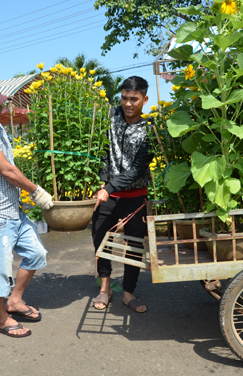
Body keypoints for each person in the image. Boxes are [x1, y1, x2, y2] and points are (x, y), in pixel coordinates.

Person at [0, 80, 53, 338]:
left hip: (14, 211)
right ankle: (3, 319)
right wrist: (35, 190)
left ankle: (14, 300)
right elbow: (7, 170)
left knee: (36, 254)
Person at [92, 76, 153, 313]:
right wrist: (103, 181)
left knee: (134, 246)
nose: (128, 104)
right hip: (108, 196)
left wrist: (109, 187)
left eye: (134, 99)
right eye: (124, 98)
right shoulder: (110, 117)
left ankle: (128, 293)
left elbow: (138, 169)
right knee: (100, 240)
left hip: (135, 197)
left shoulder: (149, 129)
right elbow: (102, 152)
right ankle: (105, 288)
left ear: (145, 99)